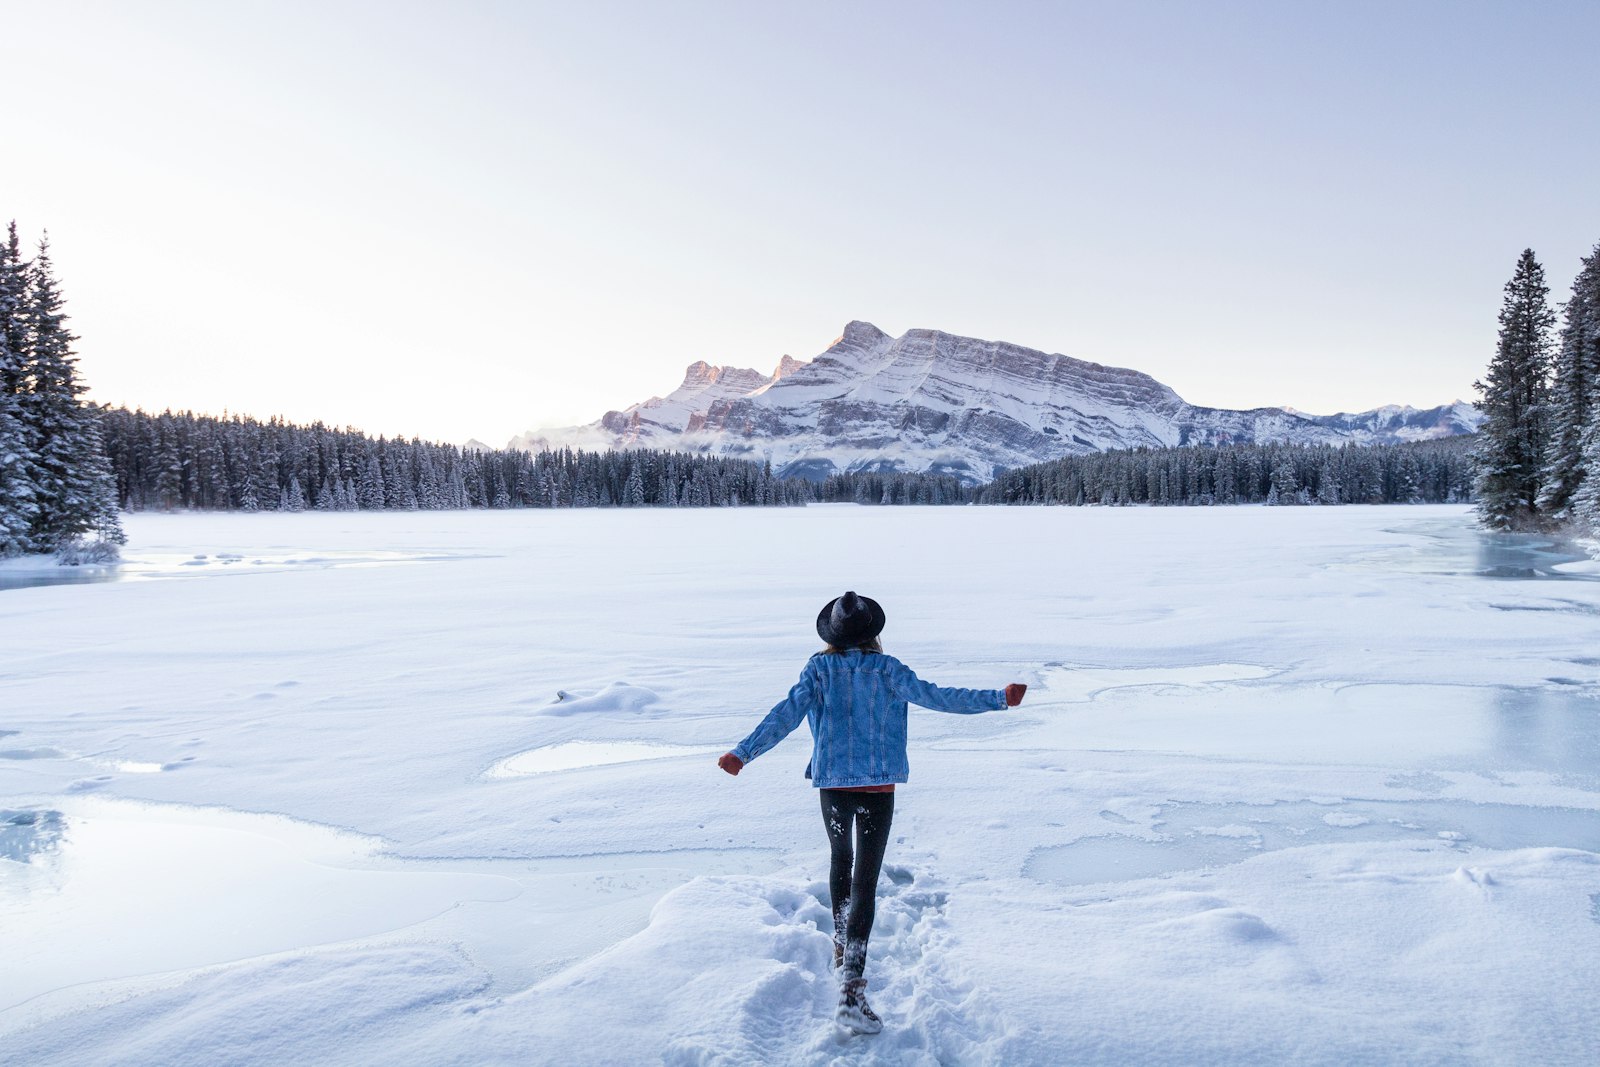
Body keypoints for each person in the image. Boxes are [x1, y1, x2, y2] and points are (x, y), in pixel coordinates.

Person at [717, 591, 1026, 1035]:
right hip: (877, 786)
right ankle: (851, 990)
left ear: (833, 635)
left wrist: (743, 754)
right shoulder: (888, 670)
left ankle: (843, 953)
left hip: (834, 785)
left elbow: (786, 713)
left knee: (840, 866)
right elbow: (939, 697)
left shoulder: (819, 669)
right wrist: (999, 698)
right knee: (865, 880)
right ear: (873, 633)